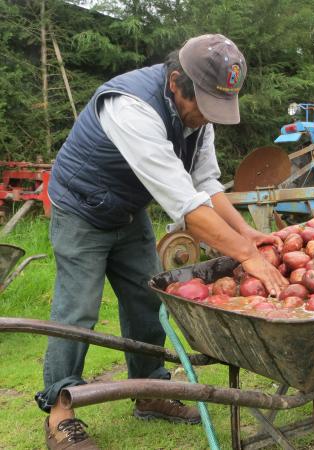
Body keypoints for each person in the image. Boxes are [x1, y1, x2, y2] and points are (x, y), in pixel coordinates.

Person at [36, 33, 288, 449]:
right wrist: (245, 255)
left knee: (148, 298)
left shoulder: (198, 117)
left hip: (128, 211)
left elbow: (205, 181)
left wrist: (246, 233)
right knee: (76, 308)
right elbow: (185, 205)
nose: (205, 118)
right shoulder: (129, 107)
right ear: (175, 82)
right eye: (202, 107)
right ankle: (60, 410)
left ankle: (150, 392)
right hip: (81, 210)